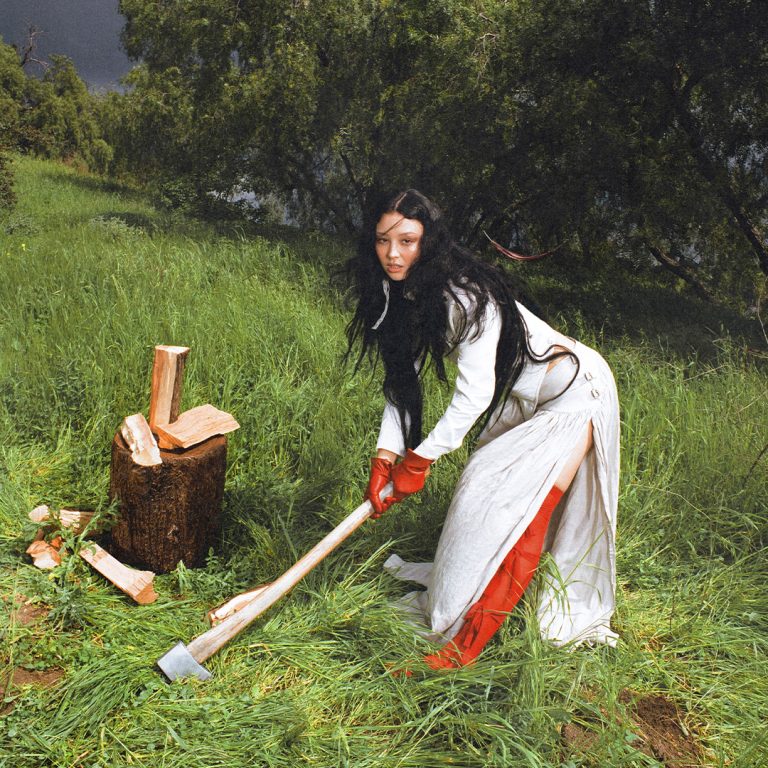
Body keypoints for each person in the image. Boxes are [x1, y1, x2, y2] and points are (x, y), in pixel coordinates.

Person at [345, 189, 619, 669]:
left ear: (428, 242)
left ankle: (461, 651)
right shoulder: (403, 293)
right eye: (383, 240)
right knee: (477, 505)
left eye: (407, 241)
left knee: (522, 515)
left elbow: (473, 394)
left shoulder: (467, 295)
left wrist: (420, 460)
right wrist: (385, 456)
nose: (393, 253)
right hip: (524, 399)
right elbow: (402, 382)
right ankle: (460, 604)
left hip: (576, 395)